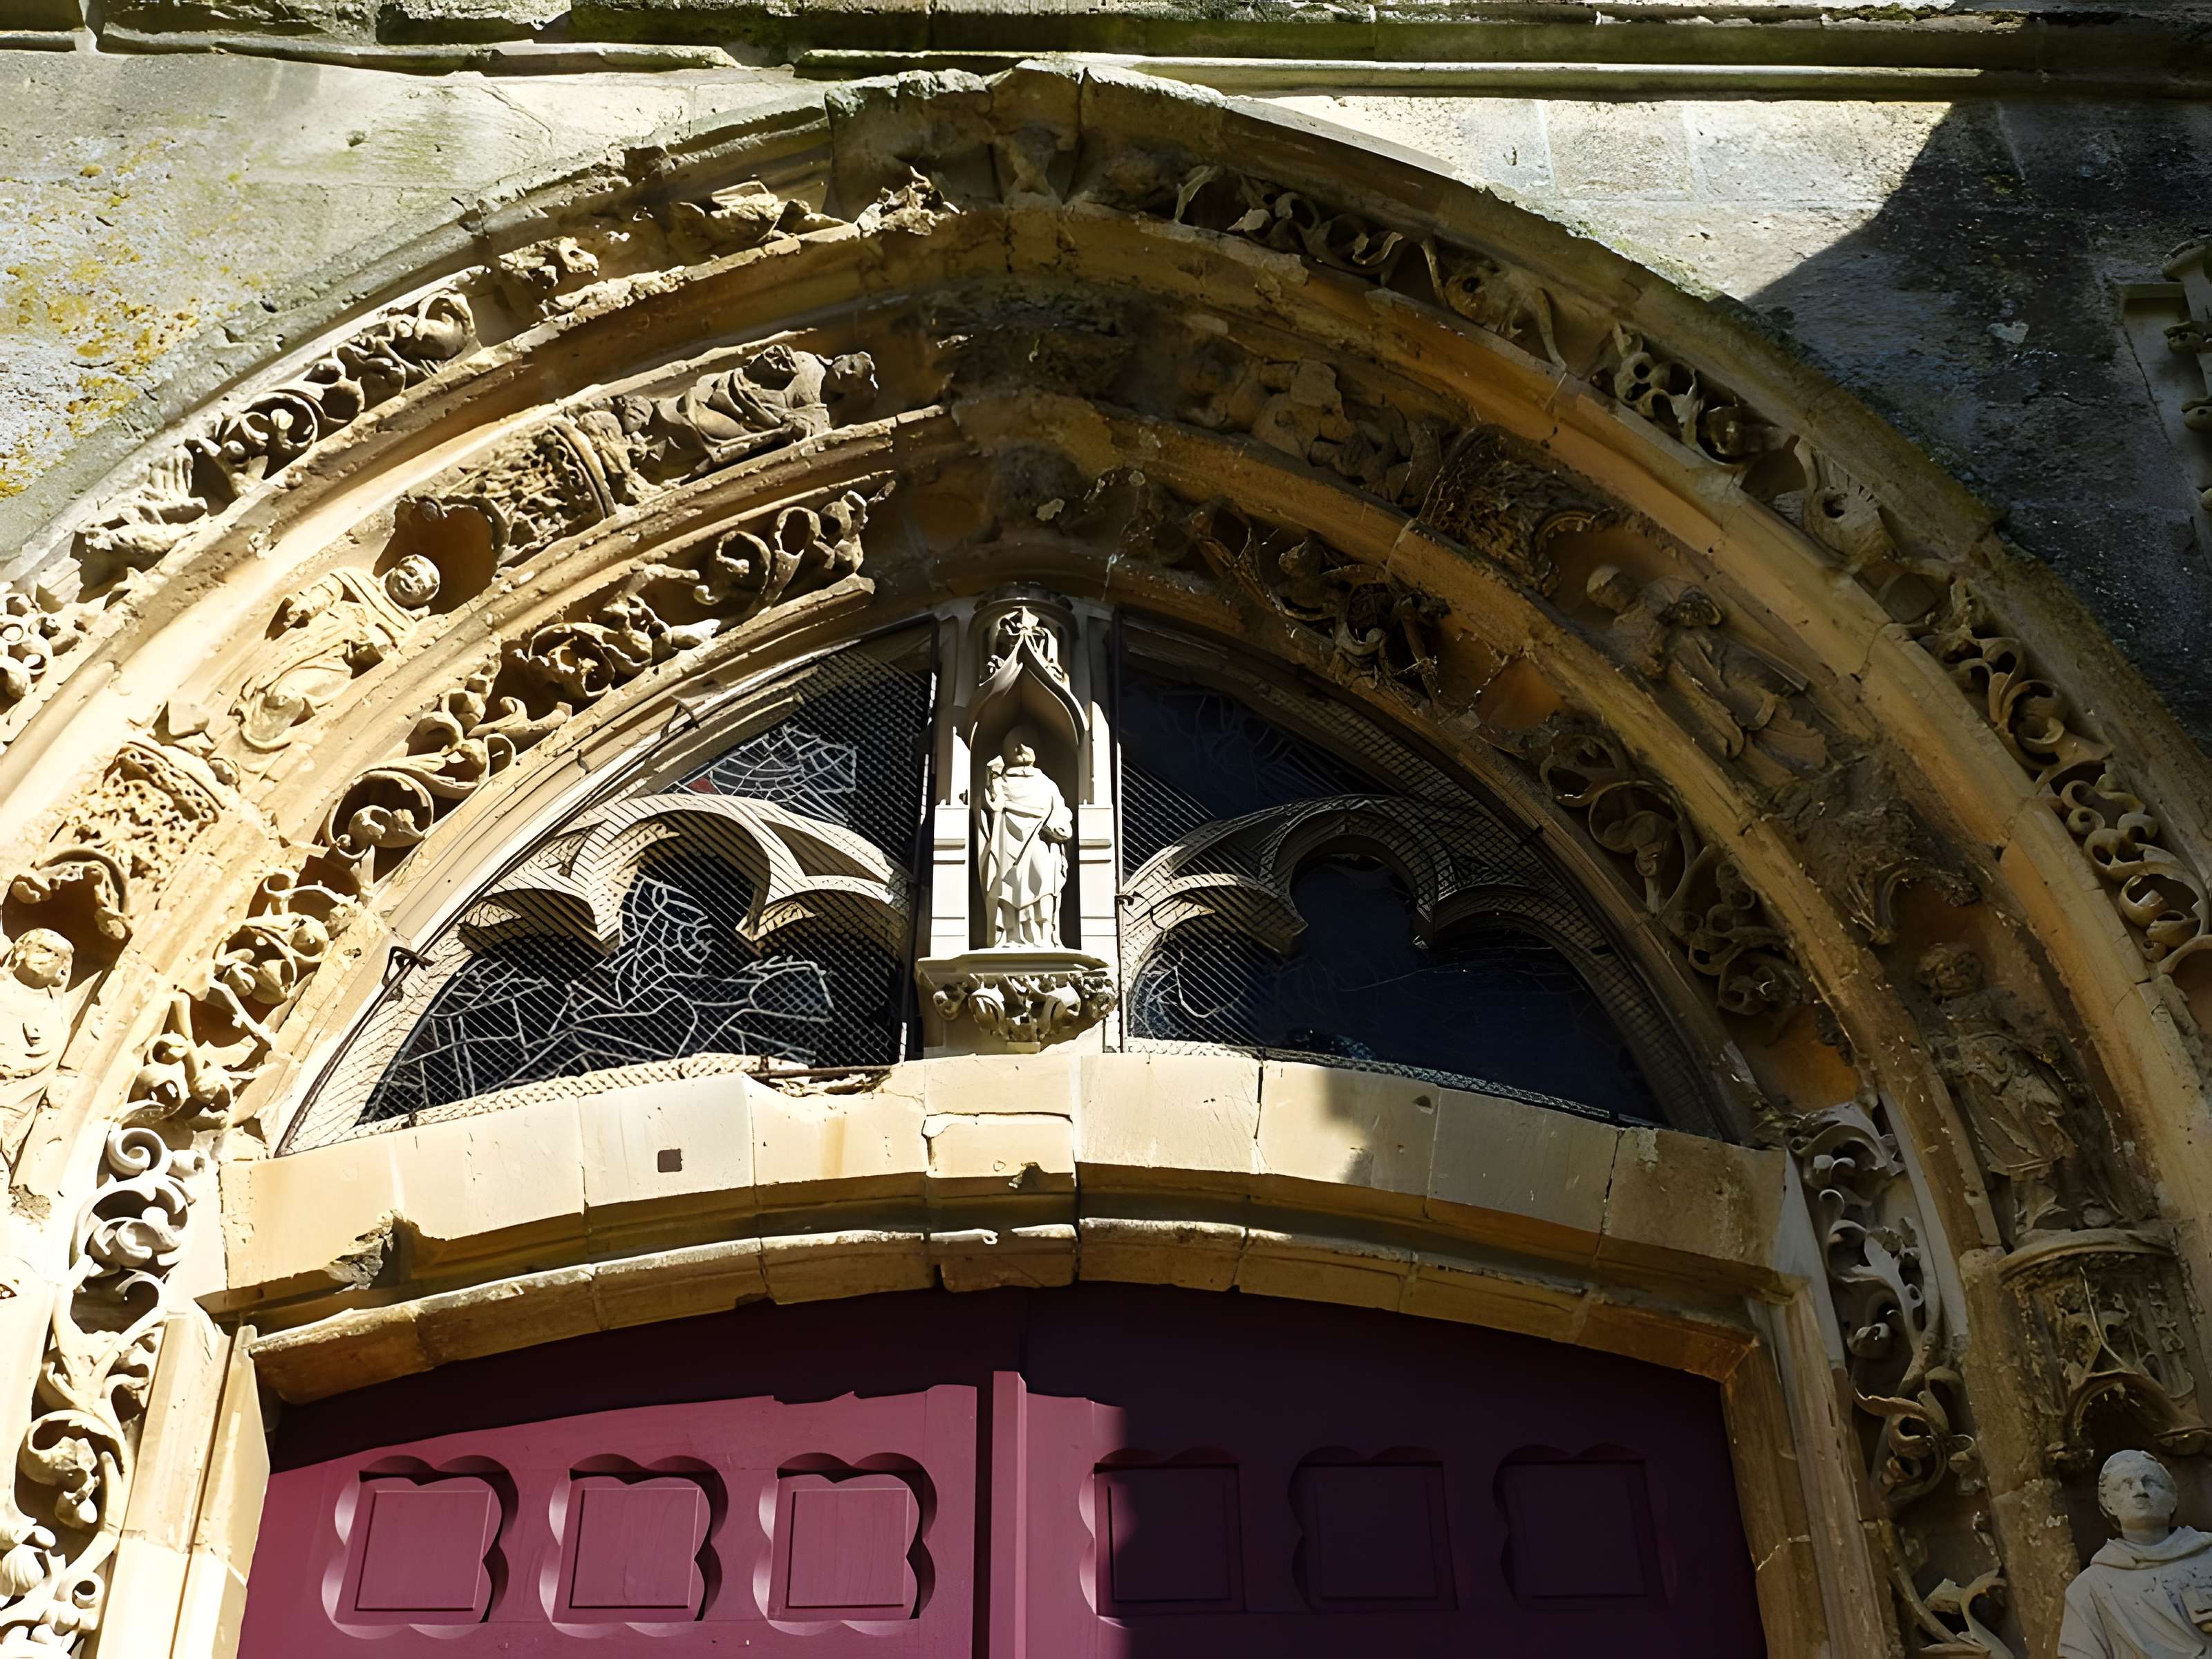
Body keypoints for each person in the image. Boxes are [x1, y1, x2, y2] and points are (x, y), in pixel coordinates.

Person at [2060, 1450, 2212, 1658]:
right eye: (2125, 1485)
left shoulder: (2208, 1555)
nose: (2140, 1490)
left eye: (2151, 1482)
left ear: (2173, 1497)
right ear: (2107, 1503)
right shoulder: (2091, 1588)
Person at [979, 729, 1071, 948]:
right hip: (1007, 842)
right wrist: (990, 778)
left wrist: (1056, 827)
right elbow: (990, 804)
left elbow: (1060, 815)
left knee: (1043, 883)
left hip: (1038, 840)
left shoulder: (1047, 784)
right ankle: (1010, 937)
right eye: (1014, 744)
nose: (1020, 748)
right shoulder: (1000, 783)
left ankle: (1042, 936)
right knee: (1007, 886)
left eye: (1026, 743)